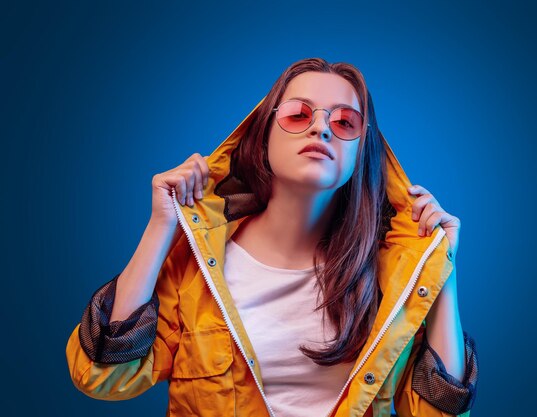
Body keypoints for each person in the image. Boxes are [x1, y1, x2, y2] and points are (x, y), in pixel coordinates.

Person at [66, 57, 479, 417]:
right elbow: (104, 376)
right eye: (299, 114)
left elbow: (435, 413)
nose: (321, 129)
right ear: (263, 136)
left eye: (344, 122)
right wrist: (161, 224)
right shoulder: (199, 266)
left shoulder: (391, 275)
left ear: (361, 153)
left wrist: (439, 262)